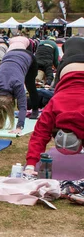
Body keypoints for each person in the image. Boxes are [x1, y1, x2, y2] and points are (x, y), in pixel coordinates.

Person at [25, 38, 84, 175]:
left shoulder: (54, 104)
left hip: (67, 70)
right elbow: (39, 135)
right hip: (67, 69)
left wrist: (30, 165)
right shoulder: (54, 103)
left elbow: (39, 135)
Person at [0, 36, 39, 135]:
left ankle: (35, 110)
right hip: (9, 55)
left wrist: (19, 126)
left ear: (12, 101)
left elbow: (23, 106)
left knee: (30, 86)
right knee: (27, 84)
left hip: (27, 56)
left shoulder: (17, 84)